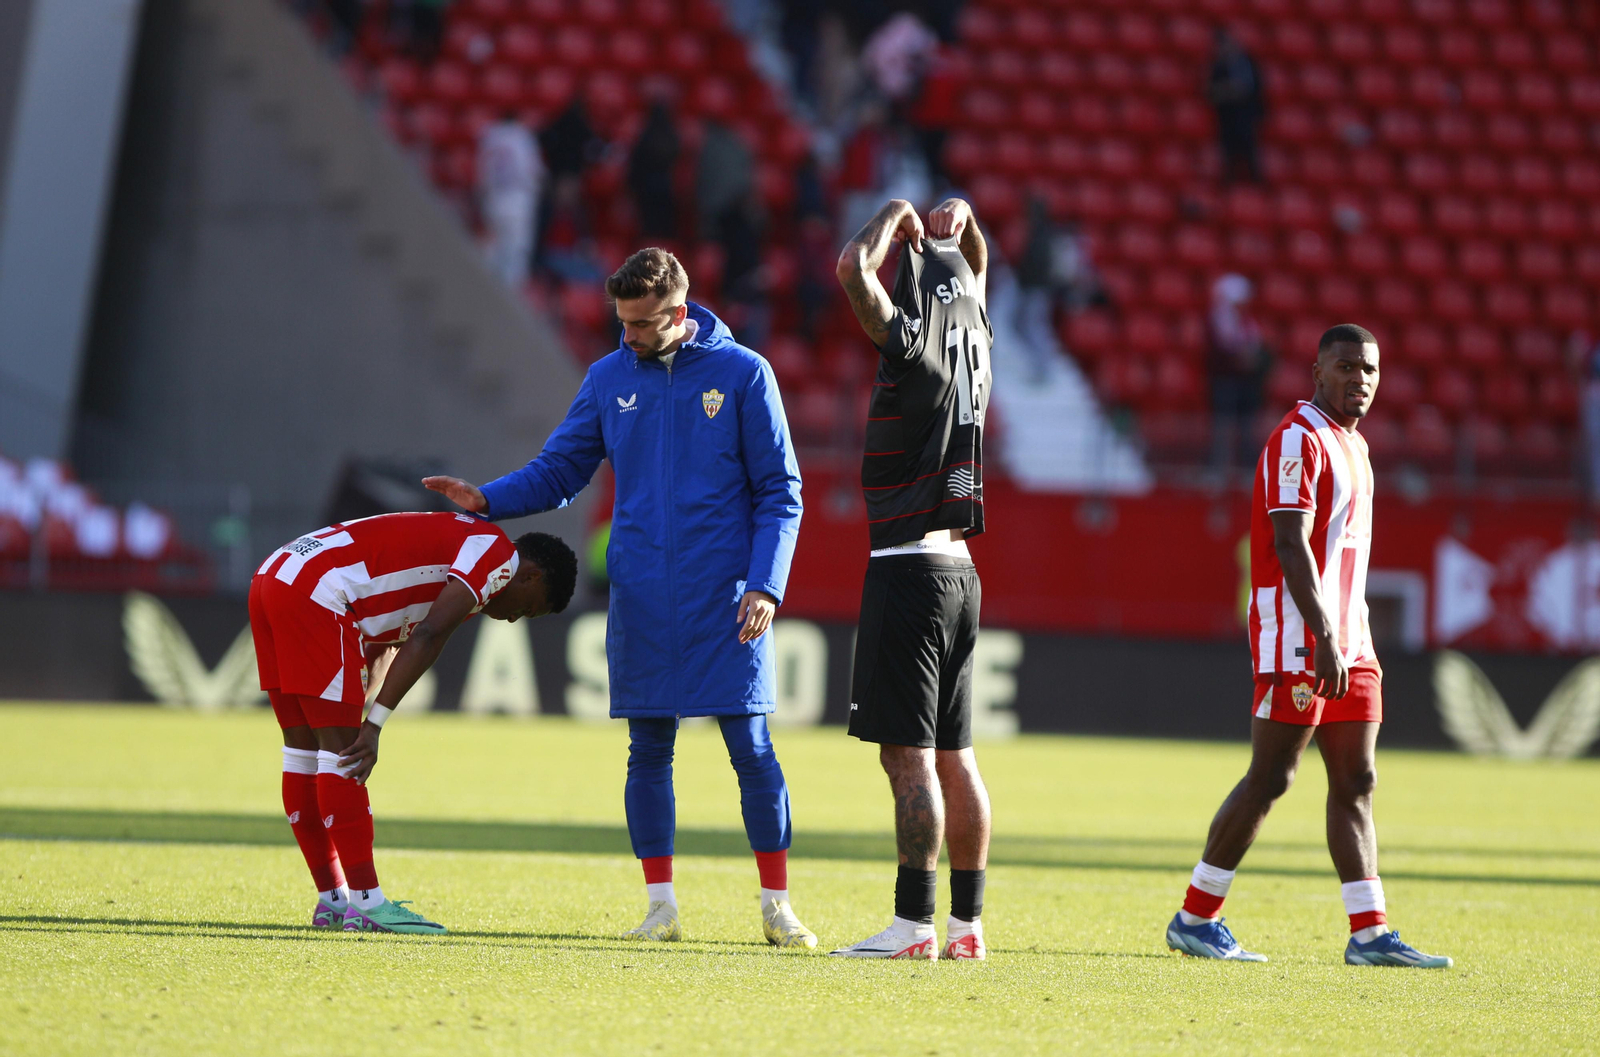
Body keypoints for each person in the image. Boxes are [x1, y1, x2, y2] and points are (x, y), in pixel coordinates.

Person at [421, 248, 816, 949]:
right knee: (648, 750)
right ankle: (660, 906)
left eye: (639, 325)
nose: (626, 336)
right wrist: (488, 500)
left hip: (726, 597)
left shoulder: (744, 374)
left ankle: (777, 905)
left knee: (751, 749)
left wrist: (765, 584)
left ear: (679, 314)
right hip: (643, 596)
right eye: (621, 323)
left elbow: (780, 493)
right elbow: (559, 470)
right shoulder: (609, 378)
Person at [1165, 324, 1452, 969]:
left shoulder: (1356, 445)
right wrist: (1323, 635)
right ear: (1317, 372)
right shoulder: (1296, 439)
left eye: (1371, 370)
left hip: (1351, 636)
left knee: (1357, 778)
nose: (1361, 379)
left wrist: (1344, 636)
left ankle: (1370, 933)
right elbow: (1290, 542)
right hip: (1302, 636)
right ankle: (1197, 916)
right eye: (1347, 366)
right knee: (1273, 775)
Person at [249, 512, 576, 934]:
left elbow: (388, 637)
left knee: (302, 751)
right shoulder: (497, 555)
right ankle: (367, 902)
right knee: (343, 753)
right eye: (528, 610)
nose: (514, 619)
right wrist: (374, 725)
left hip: (275, 576)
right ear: (529, 576)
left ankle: (334, 900)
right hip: (319, 592)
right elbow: (428, 635)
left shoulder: (467, 555)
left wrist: (363, 697)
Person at [830, 197, 994, 960]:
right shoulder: (976, 332)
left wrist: (893, 214)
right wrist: (968, 230)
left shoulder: (912, 343)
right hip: (963, 569)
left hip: (908, 567)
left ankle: (913, 925)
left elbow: (850, 273)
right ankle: (966, 927)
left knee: (909, 758)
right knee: (958, 755)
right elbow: (978, 273)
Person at [1207, 273, 1270, 472]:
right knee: (1223, 428)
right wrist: (1239, 361)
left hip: (1247, 385)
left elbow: (1258, 348)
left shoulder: (1248, 322)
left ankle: (1247, 469)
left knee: (1247, 430)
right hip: (1225, 382)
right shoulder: (1217, 321)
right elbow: (1219, 351)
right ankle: (1219, 469)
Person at [478, 111, 544, 288]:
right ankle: (510, 295)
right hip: (518, 198)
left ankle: (483, 287)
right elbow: (532, 172)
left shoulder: (491, 135)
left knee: (494, 247)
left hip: (494, 198)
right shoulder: (522, 136)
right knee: (517, 252)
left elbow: (482, 173)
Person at [1207, 28, 1267, 186]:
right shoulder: (1218, 67)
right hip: (1227, 119)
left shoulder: (1248, 63)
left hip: (1246, 117)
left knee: (1249, 150)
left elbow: (1254, 88)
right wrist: (1229, 91)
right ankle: (1229, 186)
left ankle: (1256, 183)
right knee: (1229, 153)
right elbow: (1212, 92)